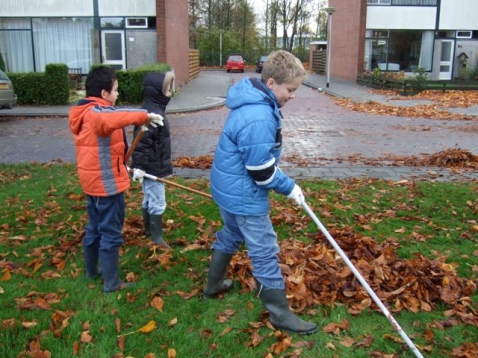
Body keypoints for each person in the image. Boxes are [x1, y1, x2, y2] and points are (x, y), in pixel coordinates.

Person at [203, 50, 317, 335]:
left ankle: (213, 284)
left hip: (227, 189)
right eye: (290, 90)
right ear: (270, 84)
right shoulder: (259, 116)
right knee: (264, 250)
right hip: (243, 195)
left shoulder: (252, 101)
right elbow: (261, 171)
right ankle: (279, 314)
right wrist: (291, 187)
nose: (292, 95)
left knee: (231, 233)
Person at [69, 66, 164, 293]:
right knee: (110, 232)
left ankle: (92, 272)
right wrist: (144, 115)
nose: (117, 94)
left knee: (94, 228)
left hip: (93, 183)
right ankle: (111, 283)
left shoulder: (87, 112)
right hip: (106, 186)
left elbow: (113, 118)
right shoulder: (97, 114)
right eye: (115, 90)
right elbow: (114, 115)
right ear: (104, 94)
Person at [130, 71, 175, 249]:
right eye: (168, 89)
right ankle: (156, 236)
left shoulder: (154, 109)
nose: (171, 92)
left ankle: (149, 230)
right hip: (151, 168)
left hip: (152, 166)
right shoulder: (151, 114)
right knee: (157, 200)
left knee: (149, 197)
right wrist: (139, 166)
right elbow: (140, 142)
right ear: (157, 91)